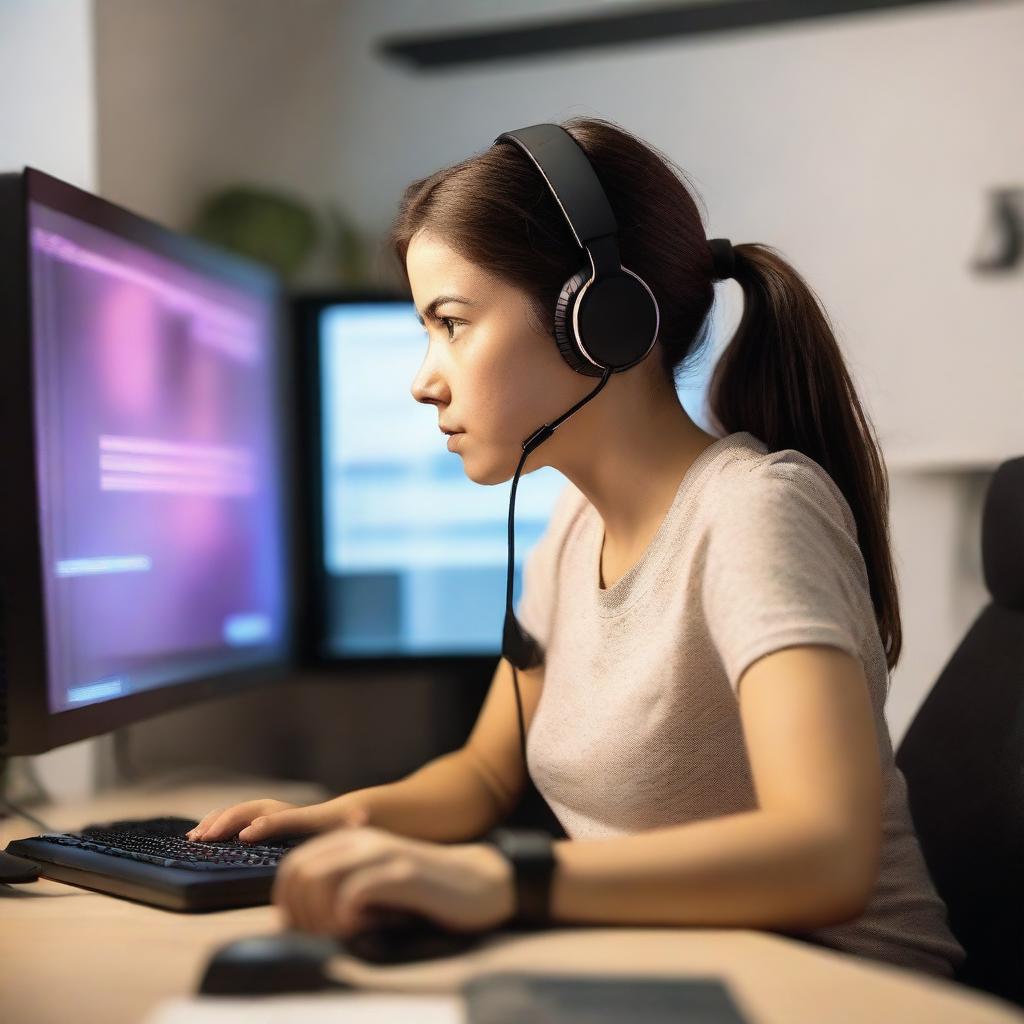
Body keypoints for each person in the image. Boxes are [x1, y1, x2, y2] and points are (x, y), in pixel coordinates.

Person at [187, 116, 965, 980]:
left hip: (848, 993)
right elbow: (485, 775)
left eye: (452, 323)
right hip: (697, 979)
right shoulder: (572, 528)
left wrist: (501, 878)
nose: (423, 378)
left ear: (599, 319)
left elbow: (826, 856)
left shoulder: (752, 513)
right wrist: (336, 824)